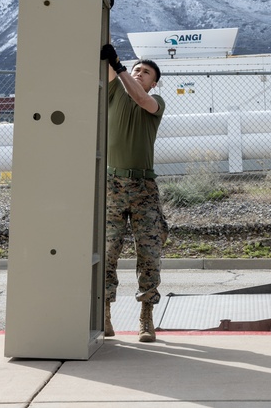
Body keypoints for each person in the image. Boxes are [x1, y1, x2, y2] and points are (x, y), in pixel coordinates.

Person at [100, 43, 167, 342]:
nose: (139, 73)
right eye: (137, 69)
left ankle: (146, 317)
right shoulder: (113, 92)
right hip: (113, 185)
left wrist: (121, 66)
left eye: (146, 72)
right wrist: (109, 54)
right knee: (108, 250)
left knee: (149, 253)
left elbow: (139, 97)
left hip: (143, 188)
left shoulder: (155, 103)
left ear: (155, 82)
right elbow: (107, 60)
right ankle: (104, 314)